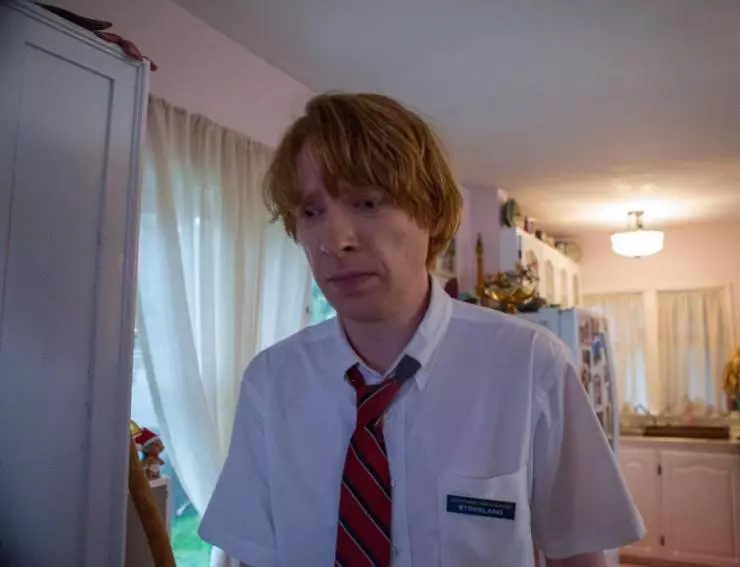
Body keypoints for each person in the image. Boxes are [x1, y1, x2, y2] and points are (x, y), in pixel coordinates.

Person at [199, 93, 645, 567]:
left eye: (367, 202)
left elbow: (576, 552)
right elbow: (252, 555)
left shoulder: (530, 366)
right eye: (311, 212)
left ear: (430, 213)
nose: (335, 241)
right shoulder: (272, 381)